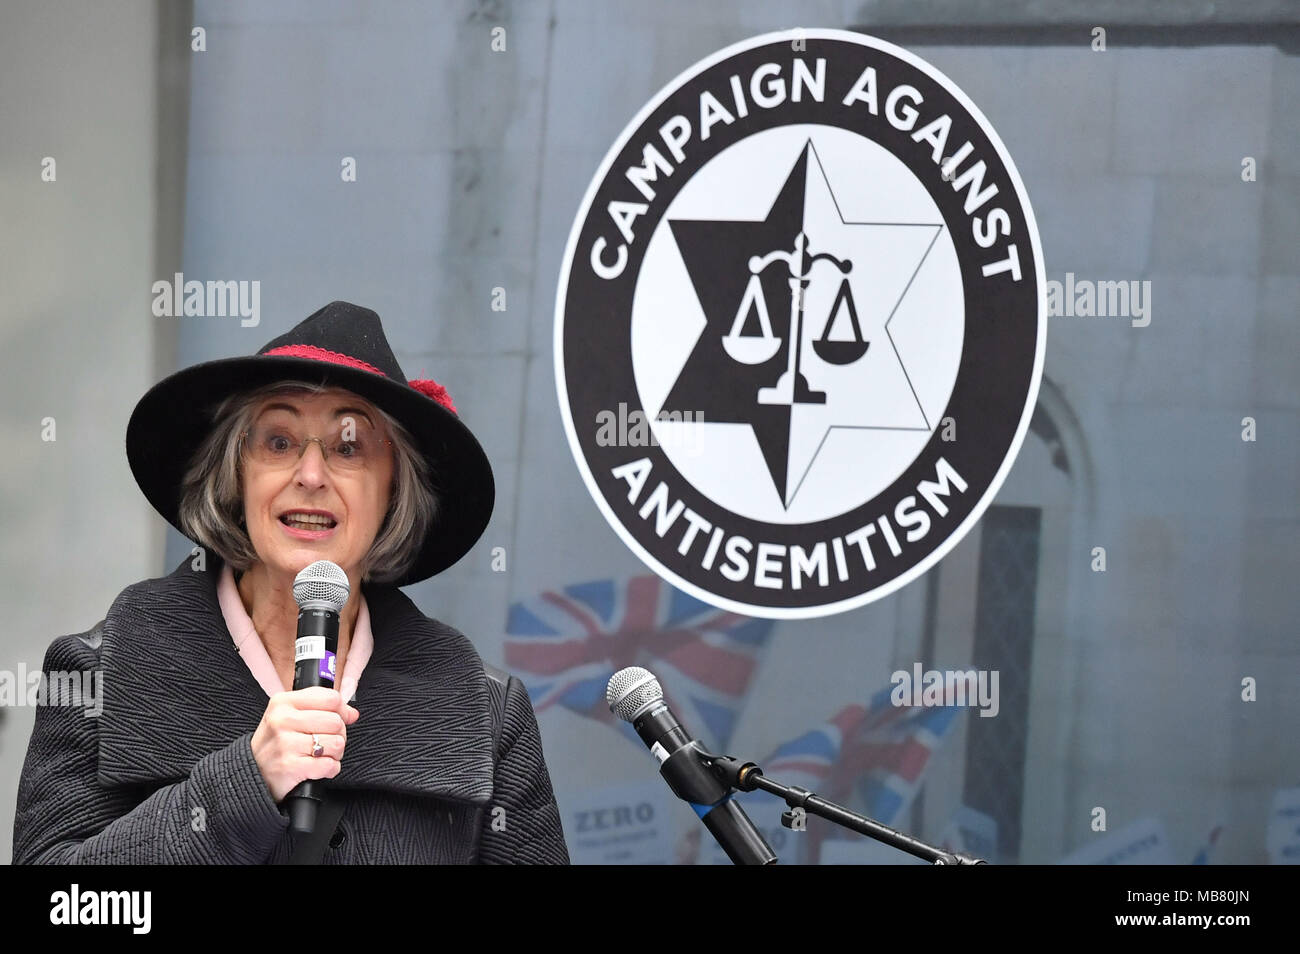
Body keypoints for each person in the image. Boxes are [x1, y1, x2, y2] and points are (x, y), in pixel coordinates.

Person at [12, 300, 569, 864]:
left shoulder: (485, 711)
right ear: (236, 472)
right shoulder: (100, 672)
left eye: (348, 447)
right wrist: (240, 788)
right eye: (278, 442)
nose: (310, 475)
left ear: (394, 489)